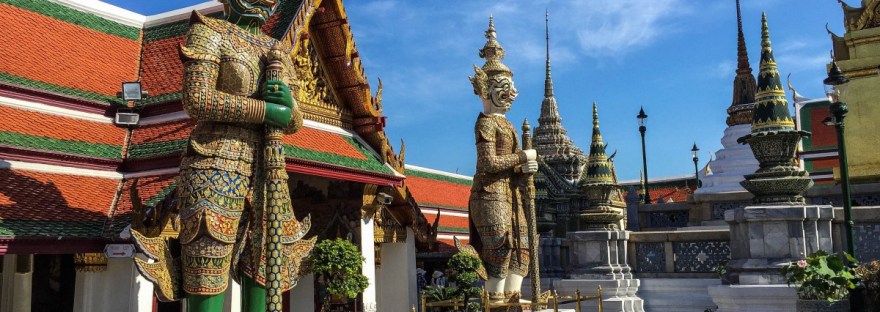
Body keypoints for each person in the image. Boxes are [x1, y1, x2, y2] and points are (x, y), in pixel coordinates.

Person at [131, 1, 311, 311]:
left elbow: (293, 120)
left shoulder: (277, 50)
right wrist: (266, 111)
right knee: (207, 268)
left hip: (268, 169)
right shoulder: (209, 31)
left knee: (266, 269)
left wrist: (288, 106)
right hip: (215, 163)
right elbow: (198, 99)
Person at [467, 17, 538, 305]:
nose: (512, 93)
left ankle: (513, 299)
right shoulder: (486, 123)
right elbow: (488, 164)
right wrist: (522, 157)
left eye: (512, 86)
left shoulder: (508, 125)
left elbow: (514, 168)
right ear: (485, 89)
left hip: (512, 194)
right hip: (489, 194)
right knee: (501, 248)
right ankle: (495, 301)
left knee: (523, 249)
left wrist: (525, 168)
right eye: (503, 86)